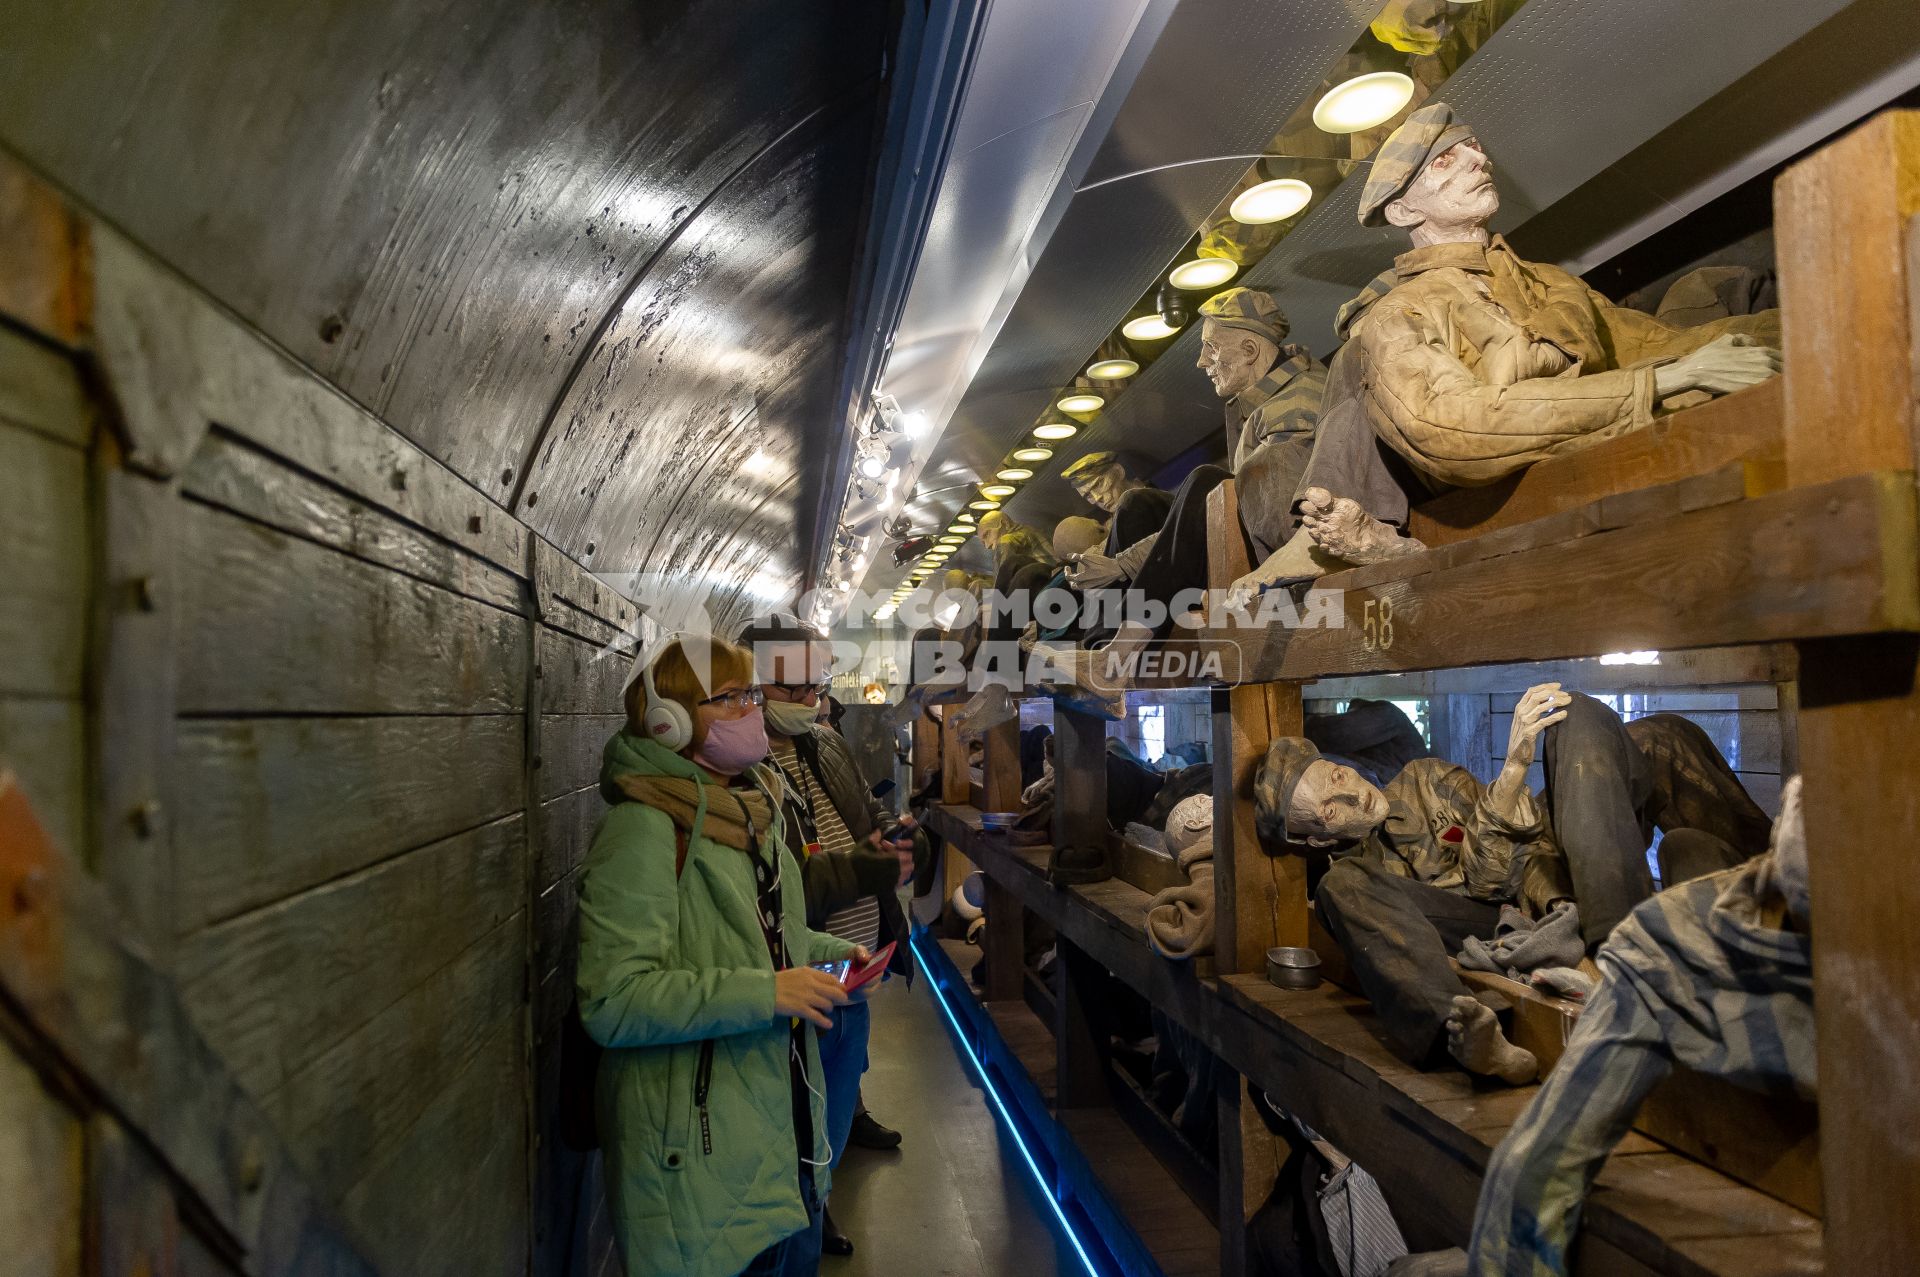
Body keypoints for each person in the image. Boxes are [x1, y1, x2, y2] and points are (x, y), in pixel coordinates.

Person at [1255, 688, 1768, 1085]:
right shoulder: (1351, 880)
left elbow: (1508, 861)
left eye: (1339, 777)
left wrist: (1520, 765)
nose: (1352, 797)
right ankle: (1465, 1042)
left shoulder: (1421, 778)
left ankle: (1771, 887)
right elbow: (1487, 891)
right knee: (1339, 889)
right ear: (1313, 834)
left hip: (1541, 869)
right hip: (1489, 917)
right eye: (1329, 808)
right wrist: (1515, 767)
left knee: (1595, 718)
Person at [577, 633, 864, 1276]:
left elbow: (755, 936)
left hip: (767, 1127)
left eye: (751, 696)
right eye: (729, 698)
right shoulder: (644, 828)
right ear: (669, 721)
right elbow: (613, 999)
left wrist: (827, 952)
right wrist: (767, 993)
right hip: (696, 1151)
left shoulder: (744, 815)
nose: (751, 712)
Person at [738, 616, 919, 1260]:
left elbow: (861, 821)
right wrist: (859, 869)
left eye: (814, 685)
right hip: (797, 974)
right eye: (791, 689)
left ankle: (817, 1202)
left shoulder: (825, 742)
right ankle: (798, 1223)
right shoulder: (743, 771)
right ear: (752, 685)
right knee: (793, 1119)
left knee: (832, 1111)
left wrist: (890, 837)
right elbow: (772, 894)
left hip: (854, 971)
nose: (808, 700)